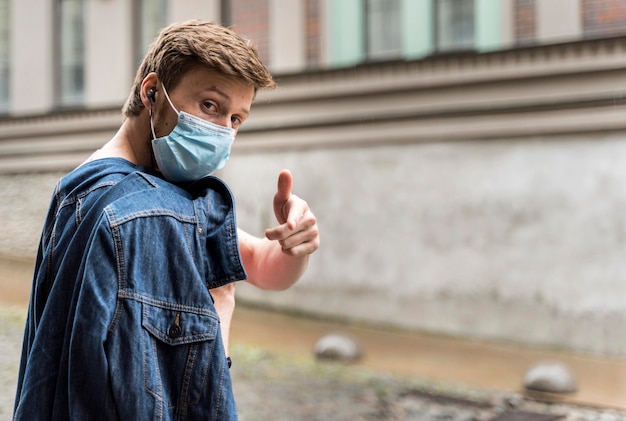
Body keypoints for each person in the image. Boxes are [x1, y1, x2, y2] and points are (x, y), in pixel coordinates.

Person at [13, 20, 319, 420]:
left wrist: (294, 243)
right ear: (152, 91)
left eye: (236, 119)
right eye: (210, 105)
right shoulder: (149, 214)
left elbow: (264, 265)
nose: (222, 131)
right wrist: (220, 322)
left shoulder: (80, 189)